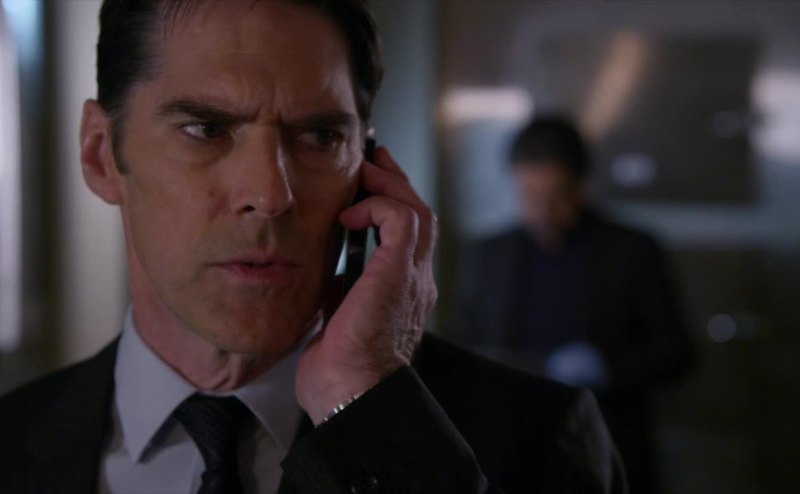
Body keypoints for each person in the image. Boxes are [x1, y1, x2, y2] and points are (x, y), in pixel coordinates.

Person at [0, 2, 626, 493]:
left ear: (369, 169)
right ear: (101, 155)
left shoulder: (540, 440)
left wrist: (367, 408)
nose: (271, 194)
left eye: (320, 137)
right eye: (205, 129)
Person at [454, 115, 693, 493]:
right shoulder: (491, 254)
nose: (544, 211)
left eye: (557, 196)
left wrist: (607, 370)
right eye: (530, 196)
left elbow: (677, 352)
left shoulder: (631, 250)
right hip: (513, 456)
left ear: (582, 185)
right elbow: (466, 344)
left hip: (608, 448)